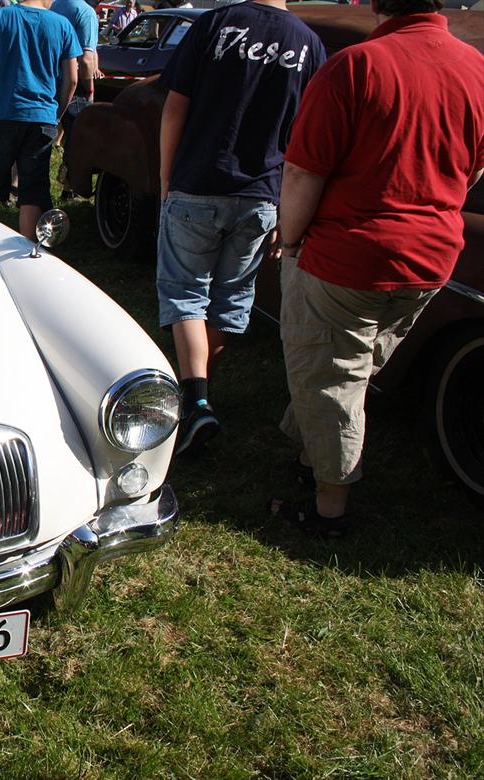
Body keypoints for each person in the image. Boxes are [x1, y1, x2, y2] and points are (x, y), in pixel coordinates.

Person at [271, 0, 484, 536]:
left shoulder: (357, 64)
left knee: (332, 377)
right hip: (431, 258)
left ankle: (328, 510)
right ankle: (310, 455)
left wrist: (290, 241)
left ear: (375, 2)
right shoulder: (476, 68)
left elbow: (300, 172)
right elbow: (474, 164)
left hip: (350, 255)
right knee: (353, 367)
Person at [155, 0, 324, 455]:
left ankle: (196, 398)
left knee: (186, 293)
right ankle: (201, 396)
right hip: (264, 194)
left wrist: (167, 177)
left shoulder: (215, 23)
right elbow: (309, 138)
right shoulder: (308, 44)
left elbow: (174, 107)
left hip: (198, 181)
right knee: (229, 300)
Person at [0, 0, 79, 239]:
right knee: (32, 191)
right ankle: (28, 251)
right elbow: (72, 79)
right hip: (41, 117)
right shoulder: (63, 25)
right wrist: (56, 114)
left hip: (2, 114)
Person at [50, 0, 103, 101]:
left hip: (45, 82)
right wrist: (90, 90)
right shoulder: (87, 13)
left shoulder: (53, 4)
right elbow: (85, 61)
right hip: (69, 87)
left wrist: (95, 65)